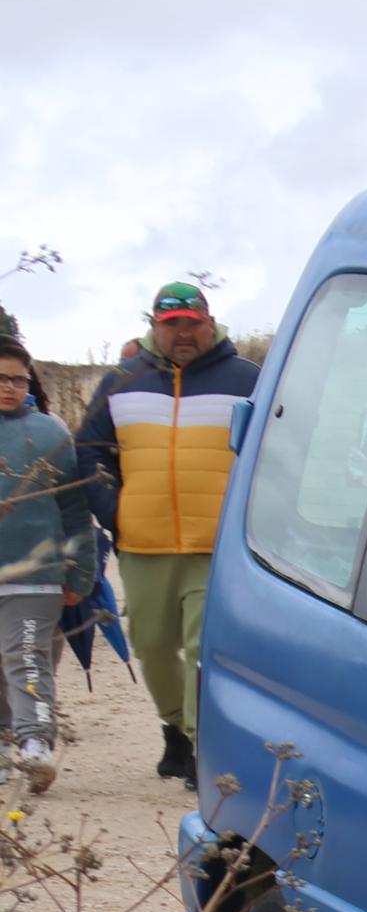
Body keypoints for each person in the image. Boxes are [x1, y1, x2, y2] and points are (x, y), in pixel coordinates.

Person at [67, 279, 256, 786]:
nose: (183, 334)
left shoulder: (248, 379)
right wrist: (115, 511)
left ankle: (200, 748)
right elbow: (89, 451)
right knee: (151, 646)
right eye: (172, 326)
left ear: (209, 321)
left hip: (216, 547)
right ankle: (175, 729)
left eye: (192, 324)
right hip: (143, 542)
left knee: (202, 650)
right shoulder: (121, 382)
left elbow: (272, 452)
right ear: (154, 327)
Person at [0, 347, 99, 794]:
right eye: (1, 378)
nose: (9, 387)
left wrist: (80, 574)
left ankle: (35, 744)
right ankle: (5, 745)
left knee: (26, 658)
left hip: (36, 575)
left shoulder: (50, 435)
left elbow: (76, 510)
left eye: (18, 380)